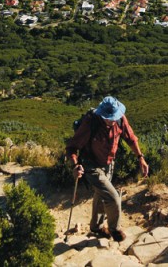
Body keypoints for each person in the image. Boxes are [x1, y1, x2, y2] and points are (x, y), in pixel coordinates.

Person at [65, 96, 149, 241]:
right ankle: (114, 229)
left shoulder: (120, 119)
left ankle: (96, 227)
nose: (112, 120)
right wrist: (75, 165)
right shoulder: (91, 122)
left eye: (114, 117)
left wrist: (140, 157)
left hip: (109, 163)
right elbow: (72, 147)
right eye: (109, 118)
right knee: (113, 197)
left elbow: (131, 138)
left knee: (100, 194)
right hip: (91, 165)